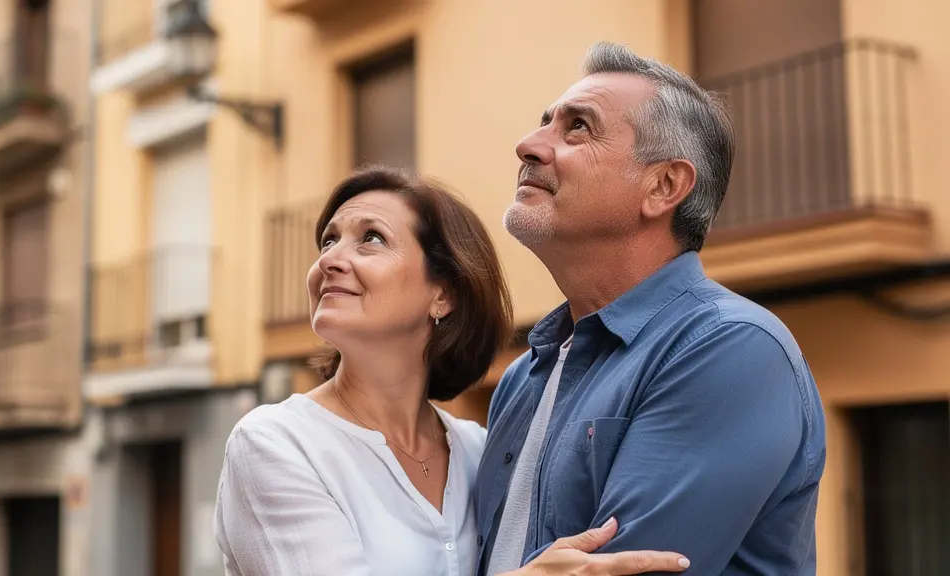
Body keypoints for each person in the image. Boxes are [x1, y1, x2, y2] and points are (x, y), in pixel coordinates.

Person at [213, 166, 692, 575]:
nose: (330, 260)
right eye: (328, 241)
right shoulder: (274, 443)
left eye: (371, 238)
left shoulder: (479, 452)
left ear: (443, 294)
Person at [475, 41, 827, 576]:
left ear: (663, 186)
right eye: (545, 123)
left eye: (578, 127)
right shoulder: (521, 377)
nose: (528, 145)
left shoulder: (733, 348)